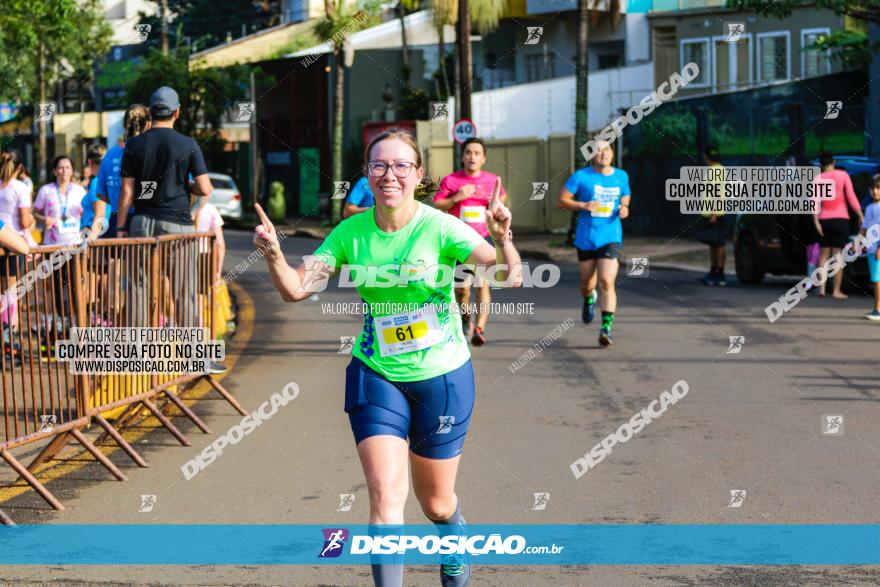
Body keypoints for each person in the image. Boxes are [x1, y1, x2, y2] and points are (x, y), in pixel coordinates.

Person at [254, 129, 521, 587]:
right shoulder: (351, 233)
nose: (389, 175)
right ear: (367, 173)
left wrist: (503, 238)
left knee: (435, 503)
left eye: (401, 166)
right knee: (384, 496)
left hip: (441, 377)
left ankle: (454, 537)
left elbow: (507, 275)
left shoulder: (439, 226)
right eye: (379, 166)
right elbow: (297, 288)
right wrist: (275, 255)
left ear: (418, 175)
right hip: (377, 374)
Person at [118, 87, 214, 348]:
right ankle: (193, 352)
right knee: (185, 290)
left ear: (150, 112)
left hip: (142, 222)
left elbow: (127, 191)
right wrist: (185, 185)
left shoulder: (134, 144)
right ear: (177, 112)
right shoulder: (188, 144)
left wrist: (120, 228)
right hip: (178, 226)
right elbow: (205, 188)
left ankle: (136, 350)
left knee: (138, 287)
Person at [433, 138, 507, 346]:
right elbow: (437, 204)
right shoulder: (451, 181)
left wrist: (495, 206)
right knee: (462, 289)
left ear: (483, 158)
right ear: (462, 156)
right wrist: (458, 197)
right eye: (468, 152)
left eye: (477, 153)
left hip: (482, 239)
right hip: (458, 241)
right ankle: (467, 319)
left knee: (481, 285)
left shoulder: (492, 180)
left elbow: (501, 200)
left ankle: (480, 329)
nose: (472, 156)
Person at [558, 140, 631, 347]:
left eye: (607, 150)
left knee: (607, 281)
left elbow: (626, 193)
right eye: (598, 151)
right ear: (592, 155)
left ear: (612, 154)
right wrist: (582, 204)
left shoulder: (621, 176)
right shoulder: (581, 177)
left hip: (611, 236)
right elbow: (562, 200)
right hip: (586, 238)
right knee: (587, 284)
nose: (603, 154)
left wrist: (624, 207)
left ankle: (606, 328)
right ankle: (589, 297)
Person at [813, 152, 863, 298]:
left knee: (823, 255)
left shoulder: (818, 178)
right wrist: (860, 214)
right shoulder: (843, 175)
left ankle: (821, 289)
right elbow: (851, 197)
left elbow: (814, 201)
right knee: (838, 256)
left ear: (821, 164)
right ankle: (836, 290)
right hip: (841, 219)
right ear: (833, 162)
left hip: (823, 220)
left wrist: (816, 221)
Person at [0, 148, 35, 338]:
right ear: (20, 167)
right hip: (13, 244)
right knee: (11, 294)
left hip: (2, 241)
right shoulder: (20, 187)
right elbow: (23, 221)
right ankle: (10, 339)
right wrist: (31, 219)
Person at [33, 155, 87, 246]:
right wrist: (44, 219)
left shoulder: (80, 190)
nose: (64, 171)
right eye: (61, 168)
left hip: (76, 243)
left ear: (72, 171)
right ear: (54, 171)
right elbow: (34, 213)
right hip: (51, 244)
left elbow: (88, 212)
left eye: (67, 168)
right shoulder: (45, 190)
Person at [697, 145, 731, 286]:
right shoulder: (718, 169)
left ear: (707, 156)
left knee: (718, 244)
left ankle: (720, 274)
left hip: (716, 213)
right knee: (714, 244)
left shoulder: (715, 171)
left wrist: (714, 214)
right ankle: (713, 272)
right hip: (713, 213)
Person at [862, 175, 880, 320]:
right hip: (871, 249)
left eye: (878, 188)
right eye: (873, 188)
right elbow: (864, 228)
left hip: (877, 251)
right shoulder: (869, 208)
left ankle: (878, 309)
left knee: (877, 280)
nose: (875, 191)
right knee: (875, 280)